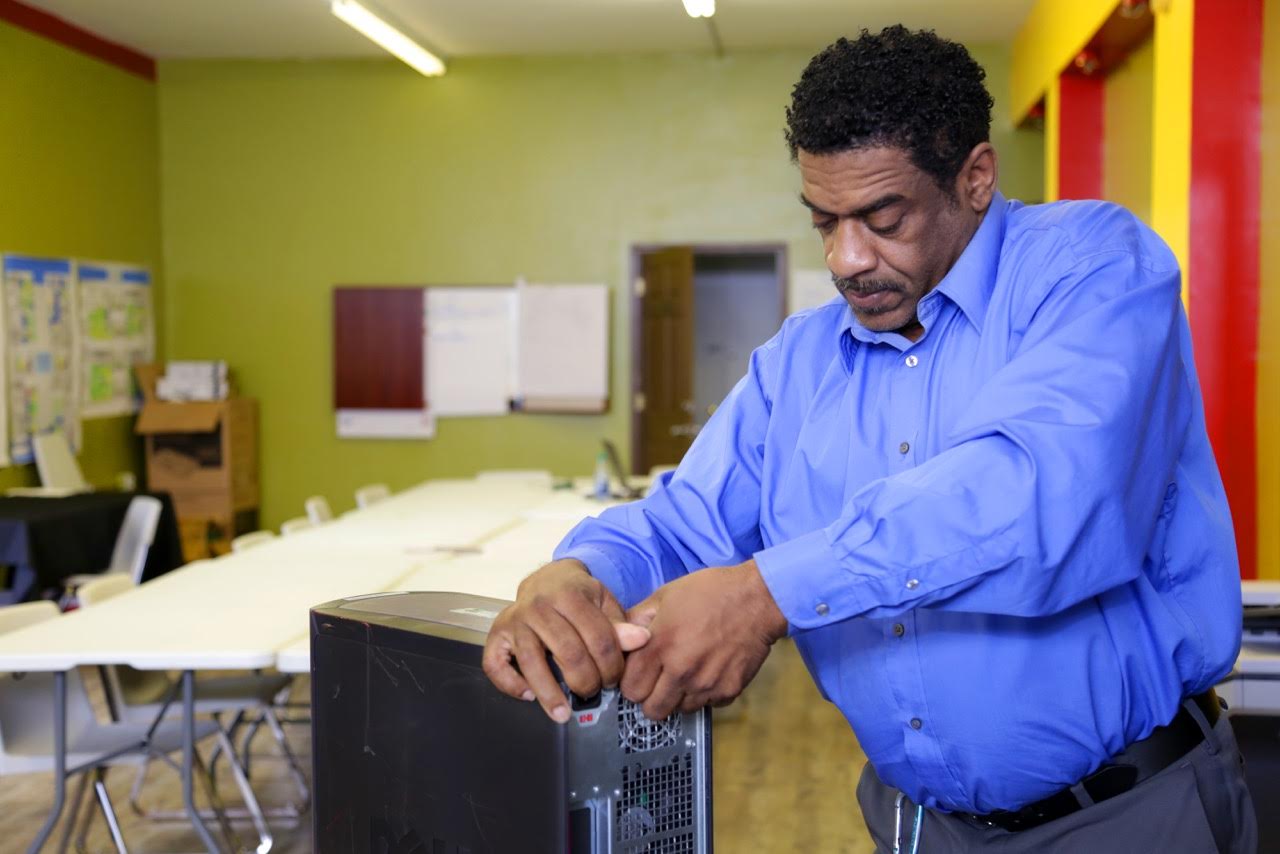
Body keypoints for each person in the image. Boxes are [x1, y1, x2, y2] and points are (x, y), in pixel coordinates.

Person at [482, 25, 1255, 853]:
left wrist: (765, 594)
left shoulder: (1091, 270)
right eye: (824, 222)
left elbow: (1040, 497)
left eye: (883, 218)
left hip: (1126, 816)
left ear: (976, 178)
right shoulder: (799, 363)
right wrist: (578, 576)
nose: (847, 258)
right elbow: (681, 524)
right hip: (920, 826)